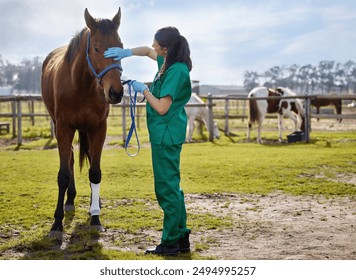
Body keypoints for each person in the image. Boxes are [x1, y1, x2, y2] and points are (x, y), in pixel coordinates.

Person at [104, 26, 192, 256]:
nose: (153, 47)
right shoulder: (168, 63)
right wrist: (126, 52)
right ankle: (181, 237)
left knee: (166, 189)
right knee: (174, 187)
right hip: (166, 133)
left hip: (166, 134)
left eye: (156, 44)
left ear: (166, 48)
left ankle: (170, 243)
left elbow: (162, 107)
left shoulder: (176, 71)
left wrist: (144, 89)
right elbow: (145, 51)